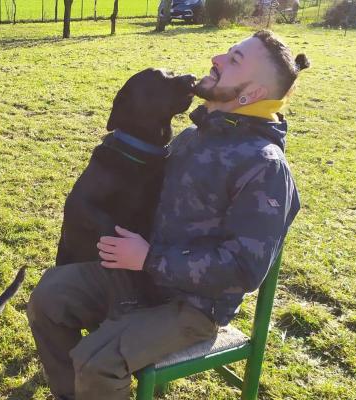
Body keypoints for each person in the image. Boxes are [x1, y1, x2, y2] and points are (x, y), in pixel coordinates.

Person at [27, 30, 309, 400]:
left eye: (234, 60)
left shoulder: (263, 165)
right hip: (140, 279)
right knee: (48, 298)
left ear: (251, 94)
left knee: (98, 363)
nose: (217, 59)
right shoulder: (194, 136)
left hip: (192, 306)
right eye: (227, 52)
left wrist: (149, 259)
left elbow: (245, 268)